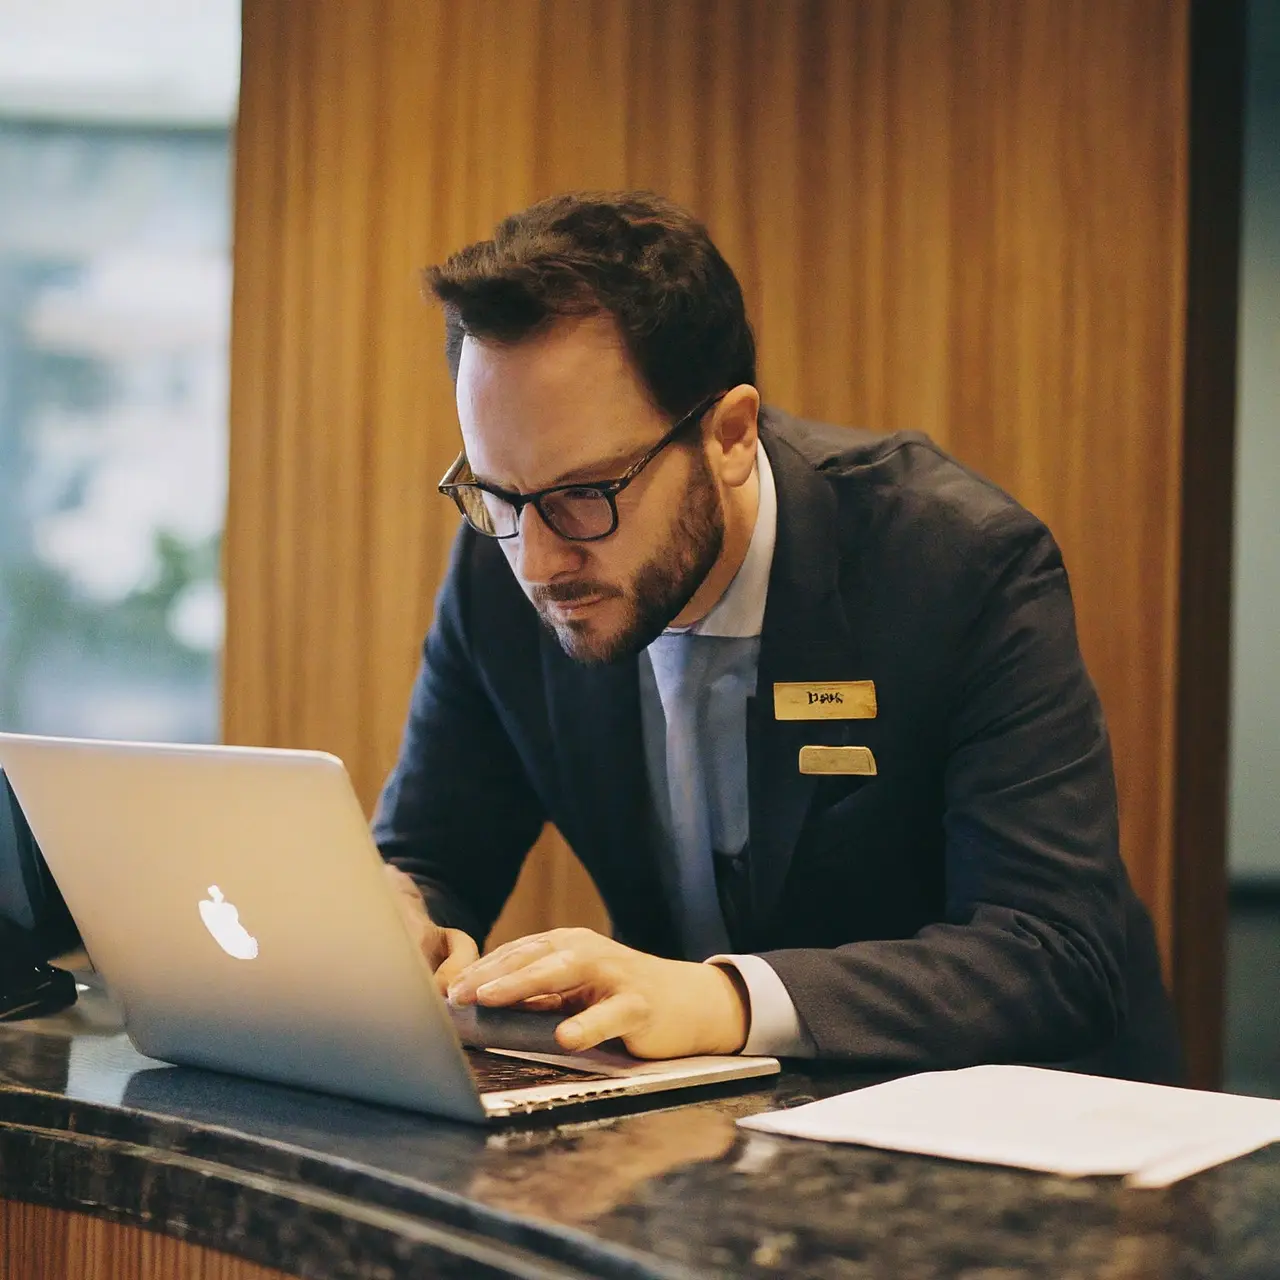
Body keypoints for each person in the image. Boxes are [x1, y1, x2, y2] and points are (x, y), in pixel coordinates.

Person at [374, 191, 1182, 1081]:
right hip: (714, 1138)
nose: (537, 556)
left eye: (586, 495)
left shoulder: (959, 563)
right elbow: (432, 852)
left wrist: (723, 1000)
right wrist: (394, 920)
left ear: (727, 436)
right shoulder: (504, 564)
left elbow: (1056, 954)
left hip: (1028, 1146)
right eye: (498, 493)